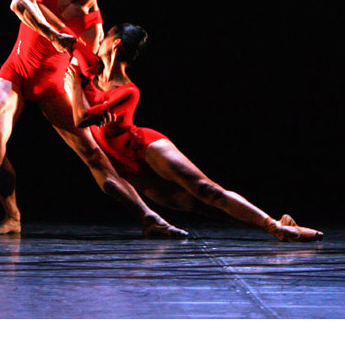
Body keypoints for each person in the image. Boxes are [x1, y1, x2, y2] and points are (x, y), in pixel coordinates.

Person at [0, 0, 186, 238]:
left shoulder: (94, 27)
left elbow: (88, 75)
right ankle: (12, 216)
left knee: (94, 156)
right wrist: (51, 31)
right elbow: (19, 4)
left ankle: (150, 217)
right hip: (15, 72)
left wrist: (101, 107)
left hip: (53, 87)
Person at [60, 23, 324, 242]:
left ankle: (275, 227)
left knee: (207, 190)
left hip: (144, 147)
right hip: (127, 166)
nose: (100, 40)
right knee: (200, 206)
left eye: (106, 36)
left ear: (115, 43)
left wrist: (74, 87)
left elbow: (81, 119)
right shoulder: (91, 70)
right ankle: (277, 225)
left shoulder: (128, 91)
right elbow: (64, 33)